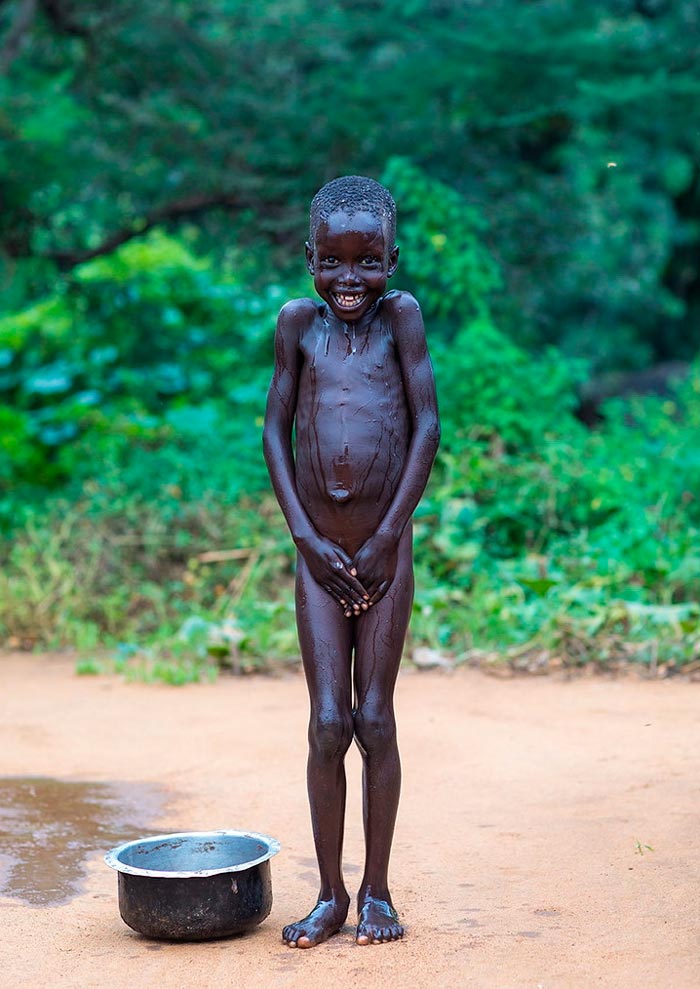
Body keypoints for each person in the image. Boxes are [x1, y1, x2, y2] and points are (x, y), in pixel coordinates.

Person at [263, 175, 440, 948]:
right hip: (318, 558)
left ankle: (377, 893)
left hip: (382, 554)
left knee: (375, 717)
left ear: (392, 260)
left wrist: (385, 537)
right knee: (328, 722)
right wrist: (306, 537)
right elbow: (274, 432)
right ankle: (330, 894)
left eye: (367, 261)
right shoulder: (297, 324)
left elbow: (427, 424)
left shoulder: (402, 321)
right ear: (309, 258)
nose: (349, 279)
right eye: (333, 262)